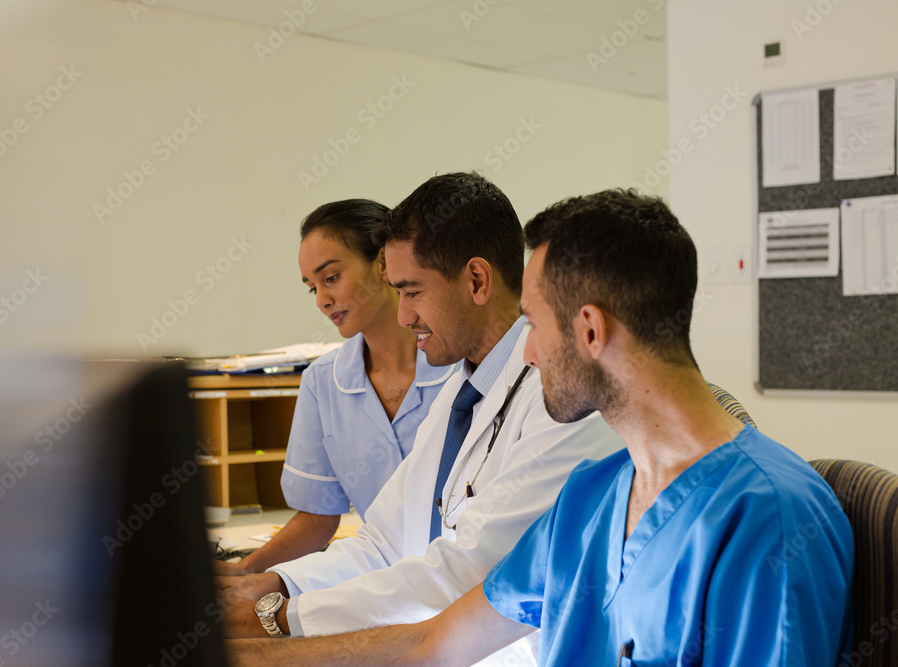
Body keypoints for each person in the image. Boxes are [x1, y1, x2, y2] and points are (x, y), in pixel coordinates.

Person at [225, 189, 854, 666]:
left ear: (590, 330)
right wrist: (247, 648)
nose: (525, 353)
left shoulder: (767, 517)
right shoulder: (592, 497)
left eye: (535, 324)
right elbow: (435, 642)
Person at [218, 173, 622, 666]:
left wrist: (281, 619)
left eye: (411, 292)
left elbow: (469, 572)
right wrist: (275, 585)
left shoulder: (560, 396)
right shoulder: (461, 391)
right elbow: (383, 545)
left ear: (476, 281)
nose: (403, 316)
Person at [214, 199, 456, 576]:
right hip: (382, 581)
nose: (323, 301)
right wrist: (244, 573)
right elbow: (317, 517)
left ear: (383, 263)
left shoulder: (459, 366)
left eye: (331, 278)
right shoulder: (322, 380)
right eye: (312, 288)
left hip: (464, 576)